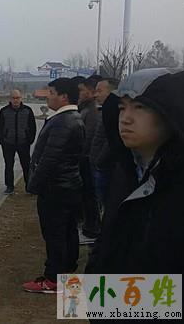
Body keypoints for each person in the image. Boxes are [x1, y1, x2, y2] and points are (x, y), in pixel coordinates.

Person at [85, 69, 184, 292]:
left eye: (140, 107)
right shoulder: (127, 171)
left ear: (171, 113)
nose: (126, 118)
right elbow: (107, 239)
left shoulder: (180, 183)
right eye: (122, 108)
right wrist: (91, 293)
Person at [23, 78, 84, 293]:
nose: (47, 96)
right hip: (68, 185)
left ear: (64, 96)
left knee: (55, 234)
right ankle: (66, 270)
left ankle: (53, 279)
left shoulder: (63, 122)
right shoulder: (73, 118)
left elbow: (49, 159)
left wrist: (33, 185)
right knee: (67, 231)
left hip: (56, 188)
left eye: (51, 92)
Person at [0, 89, 36, 194]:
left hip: (24, 143)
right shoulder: (4, 111)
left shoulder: (28, 111)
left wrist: (29, 140)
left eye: (17, 98)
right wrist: (2, 140)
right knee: (9, 165)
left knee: (26, 165)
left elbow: (32, 127)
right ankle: (9, 186)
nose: (15, 100)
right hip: (8, 143)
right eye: (13, 98)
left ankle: (29, 187)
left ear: (21, 98)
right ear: (10, 99)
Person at [77, 77, 101, 244]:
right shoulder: (85, 108)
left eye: (82, 90)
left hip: (87, 159)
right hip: (84, 158)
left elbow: (89, 137)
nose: (79, 93)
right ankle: (88, 226)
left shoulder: (92, 111)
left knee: (90, 196)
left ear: (90, 92)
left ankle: (92, 230)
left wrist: (81, 154)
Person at [88, 77, 119, 209]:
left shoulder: (116, 113)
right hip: (99, 166)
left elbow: (110, 141)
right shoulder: (104, 111)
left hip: (106, 168)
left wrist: (99, 162)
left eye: (99, 91)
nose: (95, 95)